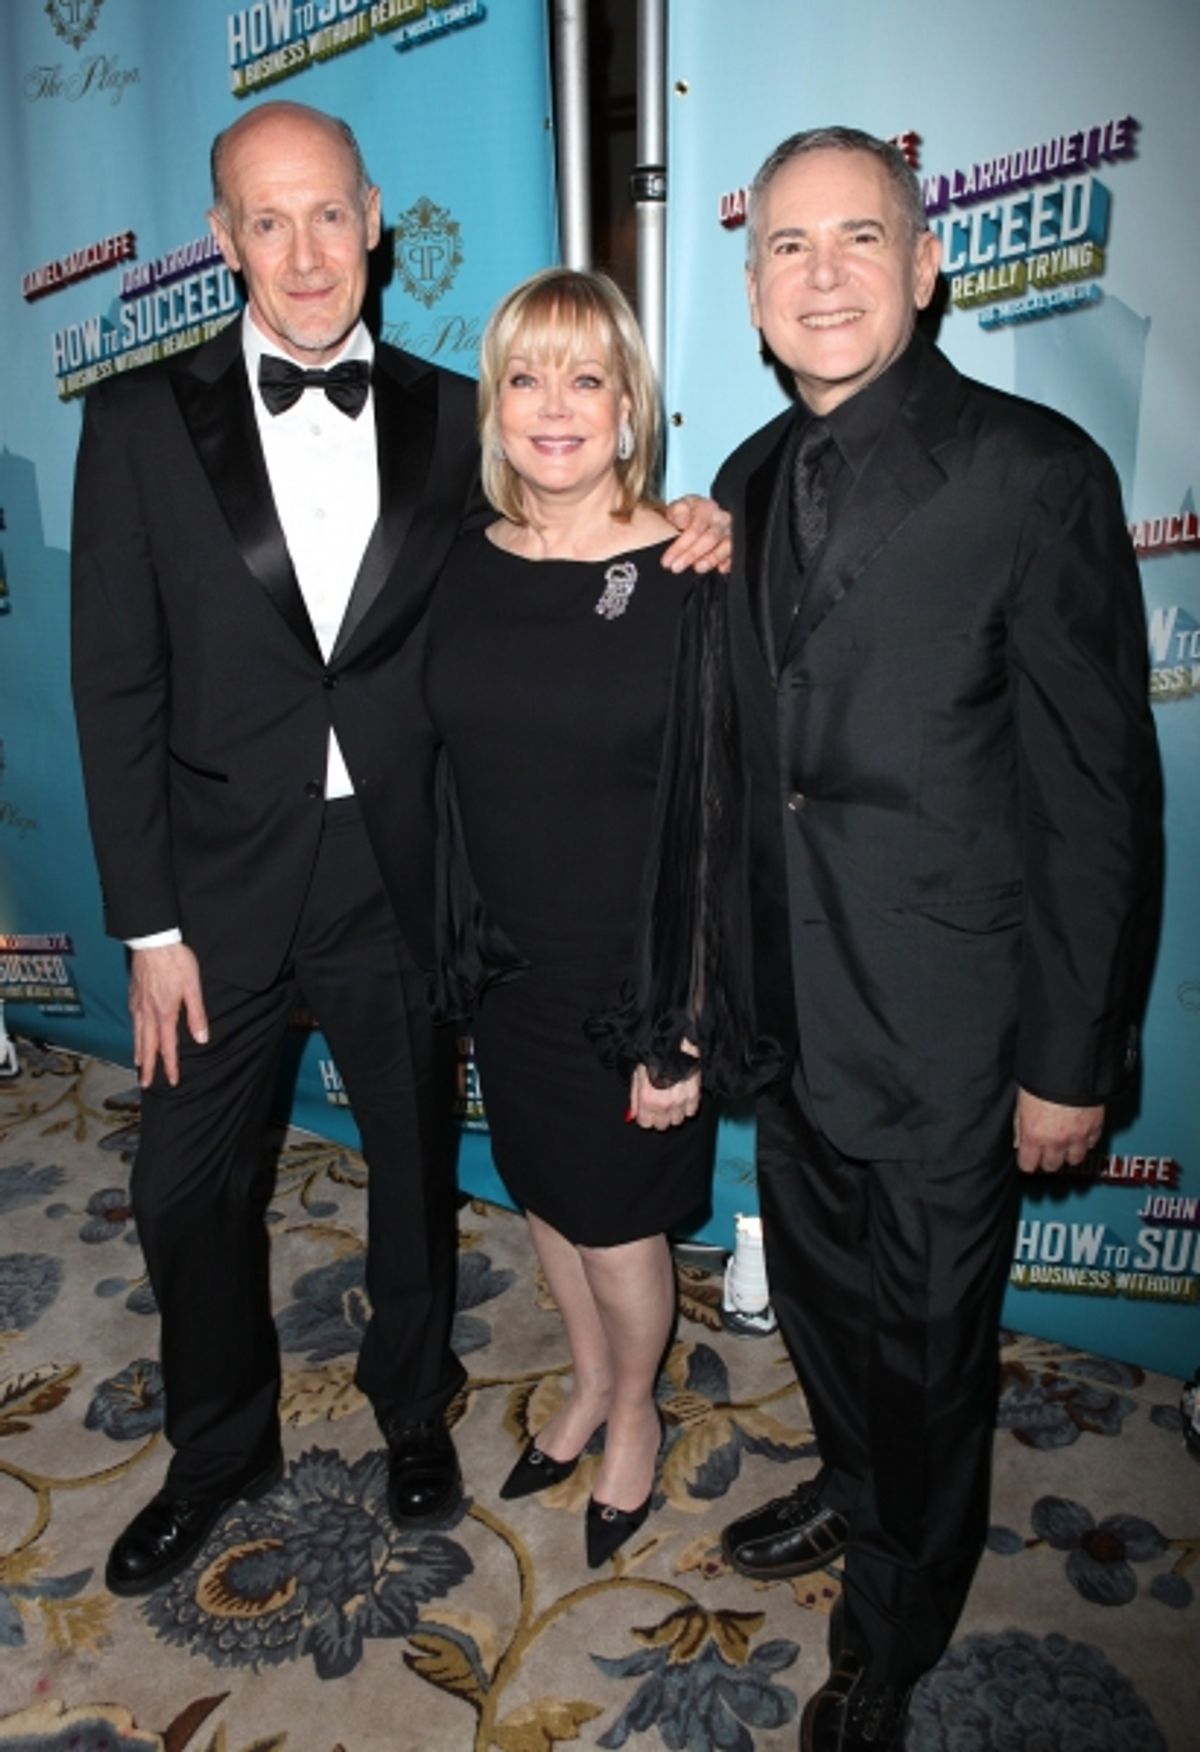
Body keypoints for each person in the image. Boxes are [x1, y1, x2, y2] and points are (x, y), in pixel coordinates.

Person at [69, 100, 730, 1599]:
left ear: (375, 218)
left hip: (409, 877)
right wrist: (145, 923)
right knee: (184, 1186)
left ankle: (412, 1405)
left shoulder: (457, 415)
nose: (303, 253)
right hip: (215, 895)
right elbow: (113, 687)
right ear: (223, 239)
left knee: (418, 1170)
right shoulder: (131, 424)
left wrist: (705, 519)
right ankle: (219, 1445)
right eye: (265, 220)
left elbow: (575, 543)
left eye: (327, 216)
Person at [713, 127, 1162, 1750]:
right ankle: (854, 1490)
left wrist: (1067, 1061)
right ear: (751, 284)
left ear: (925, 266)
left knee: (928, 1354)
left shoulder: (1035, 472)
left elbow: (1099, 796)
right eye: (785, 246)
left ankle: (896, 1619)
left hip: (951, 1023)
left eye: (857, 240)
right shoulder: (749, 482)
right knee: (834, 1323)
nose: (820, 274)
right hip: (795, 1015)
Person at [424, 268, 769, 1567]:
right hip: (506, 968)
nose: (553, 405)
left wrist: (679, 1021)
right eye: (525, 375)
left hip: (636, 982)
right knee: (545, 1201)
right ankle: (583, 1381)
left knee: (623, 1232)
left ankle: (636, 1411)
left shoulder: (687, 572)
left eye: (587, 377)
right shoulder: (462, 560)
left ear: (630, 406)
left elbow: (722, 818)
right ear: (495, 405)